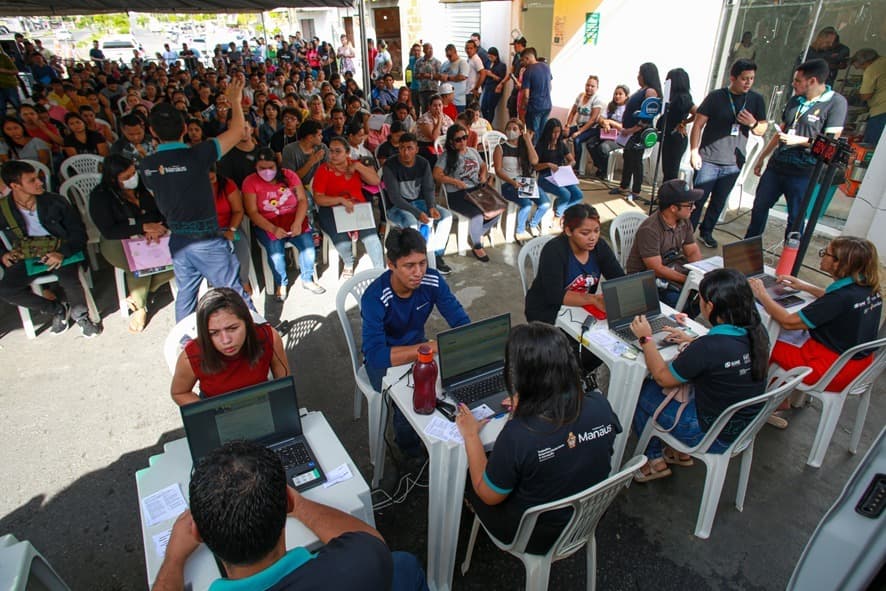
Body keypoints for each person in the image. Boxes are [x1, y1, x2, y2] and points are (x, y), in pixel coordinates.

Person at [152, 440, 429, 591]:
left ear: (197, 532)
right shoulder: (362, 563)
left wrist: (174, 559)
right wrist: (300, 505)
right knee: (404, 564)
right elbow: (369, 539)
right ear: (285, 503)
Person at [454, 322, 621, 554]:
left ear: (521, 378)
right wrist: (528, 404)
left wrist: (471, 434)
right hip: (584, 520)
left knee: (467, 478)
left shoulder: (519, 435)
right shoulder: (600, 405)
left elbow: (488, 495)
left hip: (534, 535)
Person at [630, 268, 769, 481]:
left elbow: (662, 377)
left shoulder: (709, 348)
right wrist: (691, 341)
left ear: (710, 306)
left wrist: (646, 338)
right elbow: (723, 358)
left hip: (708, 434)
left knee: (643, 390)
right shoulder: (757, 332)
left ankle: (653, 460)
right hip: (742, 427)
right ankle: (678, 453)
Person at [138, 77, 254, 322]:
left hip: (178, 241)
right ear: (183, 130)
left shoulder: (146, 165)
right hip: (208, 241)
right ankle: (259, 336)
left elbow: (155, 192)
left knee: (186, 296)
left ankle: (186, 346)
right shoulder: (199, 155)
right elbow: (236, 132)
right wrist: (234, 100)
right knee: (234, 292)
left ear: (152, 132)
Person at [750, 237, 882, 429]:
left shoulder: (840, 298)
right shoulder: (868, 289)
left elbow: (788, 322)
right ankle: (779, 399)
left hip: (829, 370)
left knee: (761, 340)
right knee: (783, 336)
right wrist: (803, 287)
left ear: (841, 263)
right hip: (860, 366)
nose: (821, 256)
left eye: (825, 253)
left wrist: (761, 294)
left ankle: (760, 405)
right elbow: (837, 303)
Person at [362, 228, 470, 455]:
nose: (418, 272)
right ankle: (410, 451)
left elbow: (461, 321)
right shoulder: (375, 297)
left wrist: (468, 343)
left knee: (452, 382)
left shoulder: (433, 280)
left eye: (422, 263)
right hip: (384, 360)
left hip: (418, 349)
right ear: (391, 265)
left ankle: (451, 442)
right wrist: (428, 348)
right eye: (409, 266)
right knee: (410, 399)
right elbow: (375, 355)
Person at [745, 59, 847, 239]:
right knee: (760, 207)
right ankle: (749, 248)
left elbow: (831, 145)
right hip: (777, 166)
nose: (794, 84)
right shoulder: (795, 100)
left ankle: (789, 257)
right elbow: (781, 131)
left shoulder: (836, 103)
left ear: (813, 81)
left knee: (796, 217)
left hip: (804, 171)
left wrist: (799, 141)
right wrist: (762, 157)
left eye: (798, 81)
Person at [0, 160, 102, 337]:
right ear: (15, 186)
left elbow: (79, 234)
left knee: (70, 281)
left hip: (61, 249)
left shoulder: (56, 202)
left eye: (37, 178)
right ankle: (56, 309)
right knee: (6, 290)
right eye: (31, 180)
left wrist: (61, 253)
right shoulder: (3, 209)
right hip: (28, 254)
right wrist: (3, 254)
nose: (39, 182)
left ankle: (81, 317)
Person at [524, 203, 624, 378]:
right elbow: (554, 295)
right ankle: (564, 379)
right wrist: (593, 299)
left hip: (579, 308)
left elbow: (618, 277)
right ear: (568, 231)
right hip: (546, 309)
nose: (592, 237)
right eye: (585, 233)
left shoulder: (599, 247)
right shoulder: (554, 250)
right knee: (573, 353)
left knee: (605, 346)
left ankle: (577, 376)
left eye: (596, 231)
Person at [89, 154, 174, 333]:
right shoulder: (101, 196)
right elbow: (109, 230)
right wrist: (142, 227)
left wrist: (158, 227)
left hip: (154, 234)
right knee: (139, 263)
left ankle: (142, 294)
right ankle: (140, 307)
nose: (132, 178)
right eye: (126, 177)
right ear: (113, 179)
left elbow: (163, 210)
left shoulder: (143, 185)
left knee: (182, 259)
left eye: (133, 173)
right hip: (118, 240)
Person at [689, 59, 767, 248]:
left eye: (751, 79)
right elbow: (698, 124)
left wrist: (753, 123)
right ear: (733, 78)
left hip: (733, 161)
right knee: (697, 199)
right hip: (709, 158)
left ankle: (706, 231)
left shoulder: (756, 100)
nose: (748, 82)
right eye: (744, 79)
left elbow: (762, 129)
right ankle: (687, 234)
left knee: (719, 201)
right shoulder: (716, 97)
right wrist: (694, 151)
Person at [169, 288, 288, 406]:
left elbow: (284, 381)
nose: (226, 340)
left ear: (247, 322)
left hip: (261, 401)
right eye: (213, 333)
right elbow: (180, 392)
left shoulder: (268, 337)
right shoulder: (192, 355)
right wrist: (208, 411)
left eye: (232, 328)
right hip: (218, 409)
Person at [242, 147, 324, 300]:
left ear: (277, 165)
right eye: (262, 168)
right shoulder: (250, 182)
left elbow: (302, 200)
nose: (267, 171)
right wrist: (272, 228)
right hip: (268, 222)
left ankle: (307, 279)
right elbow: (252, 212)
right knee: (276, 253)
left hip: (293, 218)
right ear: (256, 167)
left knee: (308, 247)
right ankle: (282, 282)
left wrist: (298, 222)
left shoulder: (289, 176)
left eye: (270, 167)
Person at [625, 179, 703, 311]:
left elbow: (692, 252)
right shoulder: (650, 230)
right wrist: (687, 281)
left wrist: (701, 275)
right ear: (673, 208)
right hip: (646, 279)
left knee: (708, 293)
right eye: (690, 205)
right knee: (679, 301)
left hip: (672, 268)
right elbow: (656, 269)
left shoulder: (684, 221)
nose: (694, 208)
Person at [312, 136, 385, 277]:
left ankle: (380, 271)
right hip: (331, 208)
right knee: (342, 241)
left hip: (357, 207)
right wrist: (340, 199)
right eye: (331, 151)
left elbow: (376, 180)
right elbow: (318, 198)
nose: (332, 155)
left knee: (371, 238)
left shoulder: (355, 164)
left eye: (337, 151)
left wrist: (358, 166)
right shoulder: (324, 170)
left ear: (347, 153)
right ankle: (348, 262)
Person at [383, 133, 453, 274]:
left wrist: (431, 206)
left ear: (416, 149)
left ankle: (436, 255)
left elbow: (428, 188)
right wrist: (418, 213)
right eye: (402, 148)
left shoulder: (423, 163)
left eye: (409, 148)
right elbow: (395, 198)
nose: (406, 152)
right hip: (397, 207)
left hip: (419, 202)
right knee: (411, 222)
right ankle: (414, 260)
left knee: (446, 216)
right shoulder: (390, 165)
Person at [433, 124, 497, 262]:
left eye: (465, 138)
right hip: (457, 193)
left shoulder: (472, 151)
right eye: (458, 139)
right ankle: (477, 245)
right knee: (477, 215)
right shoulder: (446, 156)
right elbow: (437, 175)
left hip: (475, 189)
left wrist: (483, 175)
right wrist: (455, 182)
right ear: (451, 142)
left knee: (497, 208)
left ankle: (476, 233)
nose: (462, 141)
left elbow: (483, 165)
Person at [611, 62, 662, 202]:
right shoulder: (641, 90)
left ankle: (636, 191)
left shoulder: (650, 92)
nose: (638, 76)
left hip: (638, 133)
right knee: (627, 158)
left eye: (640, 74)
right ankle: (623, 186)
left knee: (636, 162)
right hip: (630, 132)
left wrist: (632, 130)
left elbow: (648, 116)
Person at [494, 118, 550, 241]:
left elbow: (535, 161)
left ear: (520, 132)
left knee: (545, 204)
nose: (510, 131)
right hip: (509, 184)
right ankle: (520, 231)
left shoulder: (524, 147)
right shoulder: (500, 147)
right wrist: (513, 182)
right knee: (526, 205)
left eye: (514, 129)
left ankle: (533, 224)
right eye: (508, 129)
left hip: (525, 182)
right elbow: (498, 170)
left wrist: (528, 141)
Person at [209, 164, 252, 295]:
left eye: (212, 177)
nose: (211, 180)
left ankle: (244, 281)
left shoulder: (226, 184)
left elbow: (238, 211)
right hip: (207, 231)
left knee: (242, 248)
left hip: (230, 227)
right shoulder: (191, 189)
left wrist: (231, 230)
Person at [535, 118, 583, 225]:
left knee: (578, 194)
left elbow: (572, 161)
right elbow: (535, 166)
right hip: (545, 176)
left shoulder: (561, 144)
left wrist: (568, 166)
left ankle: (560, 209)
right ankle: (558, 215)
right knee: (565, 194)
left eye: (558, 132)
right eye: (554, 132)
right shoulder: (541, 145)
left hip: (559, 174)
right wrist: (548, 164)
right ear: (548, 132)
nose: (556, 135)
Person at [659, 68, 695, 182]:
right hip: (668, 136)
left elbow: (697, 112)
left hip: (676, 138)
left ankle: (669, 197)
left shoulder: (683, 98)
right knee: (667, 170)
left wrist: (684, 123)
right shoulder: (671, 97)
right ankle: (664, 196)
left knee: (671, 171)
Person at [588, 85, 629, 178]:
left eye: (620, 94)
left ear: (626, 96)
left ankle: (605, 171)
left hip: (619, 138)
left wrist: (610, 122)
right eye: (615, 94)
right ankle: (601, 167)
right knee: (590, 143)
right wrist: (604, 123)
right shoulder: (611, 106)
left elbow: (624, 127)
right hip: (606, 134)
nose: (617, 96)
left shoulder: (627, 109)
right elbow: (600, 118)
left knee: (604, 147)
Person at [564, 75, 605, 167]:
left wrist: (578, 133)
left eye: (592, 86)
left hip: (591, 129)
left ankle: (576, 166)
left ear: (597, 88)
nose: (589, 88)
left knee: (577, 140)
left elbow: (593, 120)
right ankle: (559, 160)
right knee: (561, 134)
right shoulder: (580, 96)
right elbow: (573, 112)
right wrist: (567, 126)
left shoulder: (597, 100)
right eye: (587, 85)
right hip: (578, 126)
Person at [850, 49, 885, 145]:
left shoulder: (871, 69)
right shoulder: (883, 60)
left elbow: (865, 95)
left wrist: (856, 94)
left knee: (872, 144)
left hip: (881, 111)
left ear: (865, 62)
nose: (862, 70)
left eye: (861, 67)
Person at [519, 48, 552, 139]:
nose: (523, 63)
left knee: (533, 135)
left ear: (527, 58)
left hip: (535, 107)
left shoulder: (528, 71)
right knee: (542, 134)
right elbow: (550, 87)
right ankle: (540, 153)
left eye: (523, 60)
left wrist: (523, 107)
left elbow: (526, 95)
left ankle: (532, 152)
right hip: (547, 105)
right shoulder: (546, 67)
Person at [217, 121, 261, 188]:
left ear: (252, 130)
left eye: (245, 128)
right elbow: (227, 185)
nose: (243, 132)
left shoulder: (263, 151)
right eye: (239, 129)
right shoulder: (226, 155)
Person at [479, 47, 507, 123]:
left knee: (491, 108)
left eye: (492, 56)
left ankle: (489, 123)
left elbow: (500, 79)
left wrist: (491, 75)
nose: (490, 58)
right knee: (483, 107)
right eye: (489, 56)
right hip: (487, 87)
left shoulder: (501, 65)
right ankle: (486, 122)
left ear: (496, 56)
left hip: (494, 89)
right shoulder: (488, 63)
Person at [439, 45, 469, 113]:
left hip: (457, 101)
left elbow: (463, 76)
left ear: (455, 52)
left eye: (450, 55)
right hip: (445, 100)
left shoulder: (462, 62)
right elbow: (440, 75)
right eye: (447, 56)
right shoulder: (445, 63)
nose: (449, 57)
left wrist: (448, 78)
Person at [414, 43, 441, 114]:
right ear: (424, 50)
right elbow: (415, 75)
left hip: (434, 90)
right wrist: (421, 76)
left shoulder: (437, 62)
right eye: (429, 49)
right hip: (423, 91)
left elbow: (440, 76)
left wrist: (429, 76)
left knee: (435, 110)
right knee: (425, 111)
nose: (431, 50)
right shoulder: (418, 62)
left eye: (431, 48)